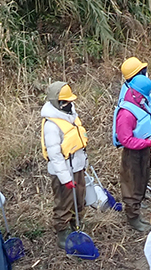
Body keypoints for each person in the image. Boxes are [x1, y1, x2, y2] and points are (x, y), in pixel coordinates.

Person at [41, 82, 88, 248]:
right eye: (65, 102)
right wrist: (65, 178)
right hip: (63, 172)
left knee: (80, 199)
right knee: (63, 203)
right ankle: (62, 233)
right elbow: (55, 155)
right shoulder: (51, 125)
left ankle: (76, 226)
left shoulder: (71, 116)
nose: (69, 104)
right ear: (57, 102)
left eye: (69, 101)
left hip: (77, 166)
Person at [113, 75, 151, 232]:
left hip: (143, 150)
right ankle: (132, 217)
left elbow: (143, 125)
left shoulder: (140, 105)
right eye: (142, 96)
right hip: (132, 154)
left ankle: (137, 213)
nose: (144, 99)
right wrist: (148, 143)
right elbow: (126, 140)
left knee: (142, 180)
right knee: (132, 184)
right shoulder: (126, 114)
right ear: (135, 93)